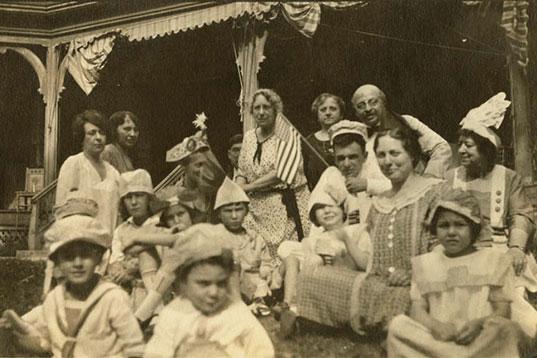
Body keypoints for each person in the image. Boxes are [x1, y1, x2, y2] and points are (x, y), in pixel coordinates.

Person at [297, 128, 443, 334]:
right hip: (376, 284)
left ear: (412, 154)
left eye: (395, 153)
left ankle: (388, 322)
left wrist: (414, 274)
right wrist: (344, 240)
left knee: (406, 301)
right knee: (310, 276)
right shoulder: (380, 203)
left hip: (420, 286)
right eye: (381, 155)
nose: (387, 161)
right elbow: (370, 263)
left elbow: (445, 249)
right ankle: (382, 321)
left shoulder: (434, 191)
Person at [388, 189, 524, 357]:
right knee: (398, 326)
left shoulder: (493, 260)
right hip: (440, 339)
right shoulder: (426, 264)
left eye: (459, 225)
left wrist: (480, 324)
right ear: (434, 229)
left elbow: (503, 310)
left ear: (474, 228)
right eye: (444, 226)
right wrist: (436, 326)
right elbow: (418, 309)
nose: (451, 232)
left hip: (479, 340)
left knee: (506, 329)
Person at [0, 202, 144, 357]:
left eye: (85, 255)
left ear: (98, 257)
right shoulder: (54, 300)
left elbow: (134, 349)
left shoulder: (112, 298)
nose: (78, 264)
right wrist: (17, 330)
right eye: (68, 257)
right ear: (57, 261)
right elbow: (44, 344)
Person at [447, 92, 537, 337]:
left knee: (507, 296)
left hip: (500, 252)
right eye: (460, 144)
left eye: (469, 145)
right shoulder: (450, 179)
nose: (462, 150)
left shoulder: (507, 177)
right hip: (460, 253)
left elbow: (522, 214)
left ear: (486, 149)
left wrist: (517, 247)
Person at [144, 224, 275, 358]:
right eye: (204, 284)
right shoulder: (173, 315)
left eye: (221, 283)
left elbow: (263, 351)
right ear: (183, 282)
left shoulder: (236, 312)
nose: (213, 292)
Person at [277, 187, 371, 338]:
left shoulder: (357, 230)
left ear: (343, 209)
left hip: (348, 281)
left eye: (331, 206)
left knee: (313, 260)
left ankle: (294, 311)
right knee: (299, 258)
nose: (326, 211)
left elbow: (366, 264)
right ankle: (290, 307)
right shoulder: (315, 239)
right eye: (320, 208)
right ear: (314, 217)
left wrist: (346, 242)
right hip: (319, 282)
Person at [237, 88, 310, 261]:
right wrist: (239, 186)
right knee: (256, 255)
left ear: (276, 110)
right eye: (257, 108)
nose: (261, 112)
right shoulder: (249, 137)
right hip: (255, 208)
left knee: (285, 256)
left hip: (284, 206)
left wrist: (248, 187)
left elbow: (281, 173)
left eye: (266, 107)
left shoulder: (287, 136)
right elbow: (242, 169)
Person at [350, 84, 452, 194]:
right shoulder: (357, 136)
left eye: (373, 102)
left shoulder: (406, 122)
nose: (368, 109)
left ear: (383, 103)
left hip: (411, 194)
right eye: (361, 106)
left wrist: (428, 179)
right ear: (356, 113)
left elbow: (441, 148)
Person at [107, 169, 167, 312]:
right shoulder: (121, 230)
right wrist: (118, 271)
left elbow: (165, 262)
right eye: (128, 197)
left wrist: (133, 268)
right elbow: (115, 260)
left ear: (149, 198)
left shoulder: (160, 225)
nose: (134, 202)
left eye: (139, 196)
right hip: (127, 294)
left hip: (157, 294)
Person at [214, 177, 274, 312]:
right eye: (228, 211)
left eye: (239, 209)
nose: (234, 216)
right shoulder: (216, 237)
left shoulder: (254, 238)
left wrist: (265, 270)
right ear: (219, 214)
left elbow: (266, 261)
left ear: (246, 211)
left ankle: (259, 302)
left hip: (257, 282)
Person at [55, 109, 120, 235]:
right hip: (81, 243)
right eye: (92, 133)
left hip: (109, 243)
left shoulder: (113, 173)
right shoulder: (74, 164)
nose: (98, 138)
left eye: (102, 133)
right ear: (82, 137)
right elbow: (62, 209)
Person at [314, 120, 372, 226]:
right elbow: (319, 217)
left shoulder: (376, 174)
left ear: (365, 156)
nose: (346, 164)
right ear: (335, 159)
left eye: (352, 157)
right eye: (341, 158)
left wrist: (369, 185)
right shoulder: (332, 176)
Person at [166, 132, 225, 222]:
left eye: (205, 165)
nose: (203, 170)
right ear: (184, 167)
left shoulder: (212, 192)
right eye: (198, 165)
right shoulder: (175, 196)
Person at [303, 93, 345, 190]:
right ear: (317, 115)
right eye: (323, 110)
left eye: (333, 109)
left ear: (341, 114)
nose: (328, 113)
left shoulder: (348, 136)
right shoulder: (308, 142)